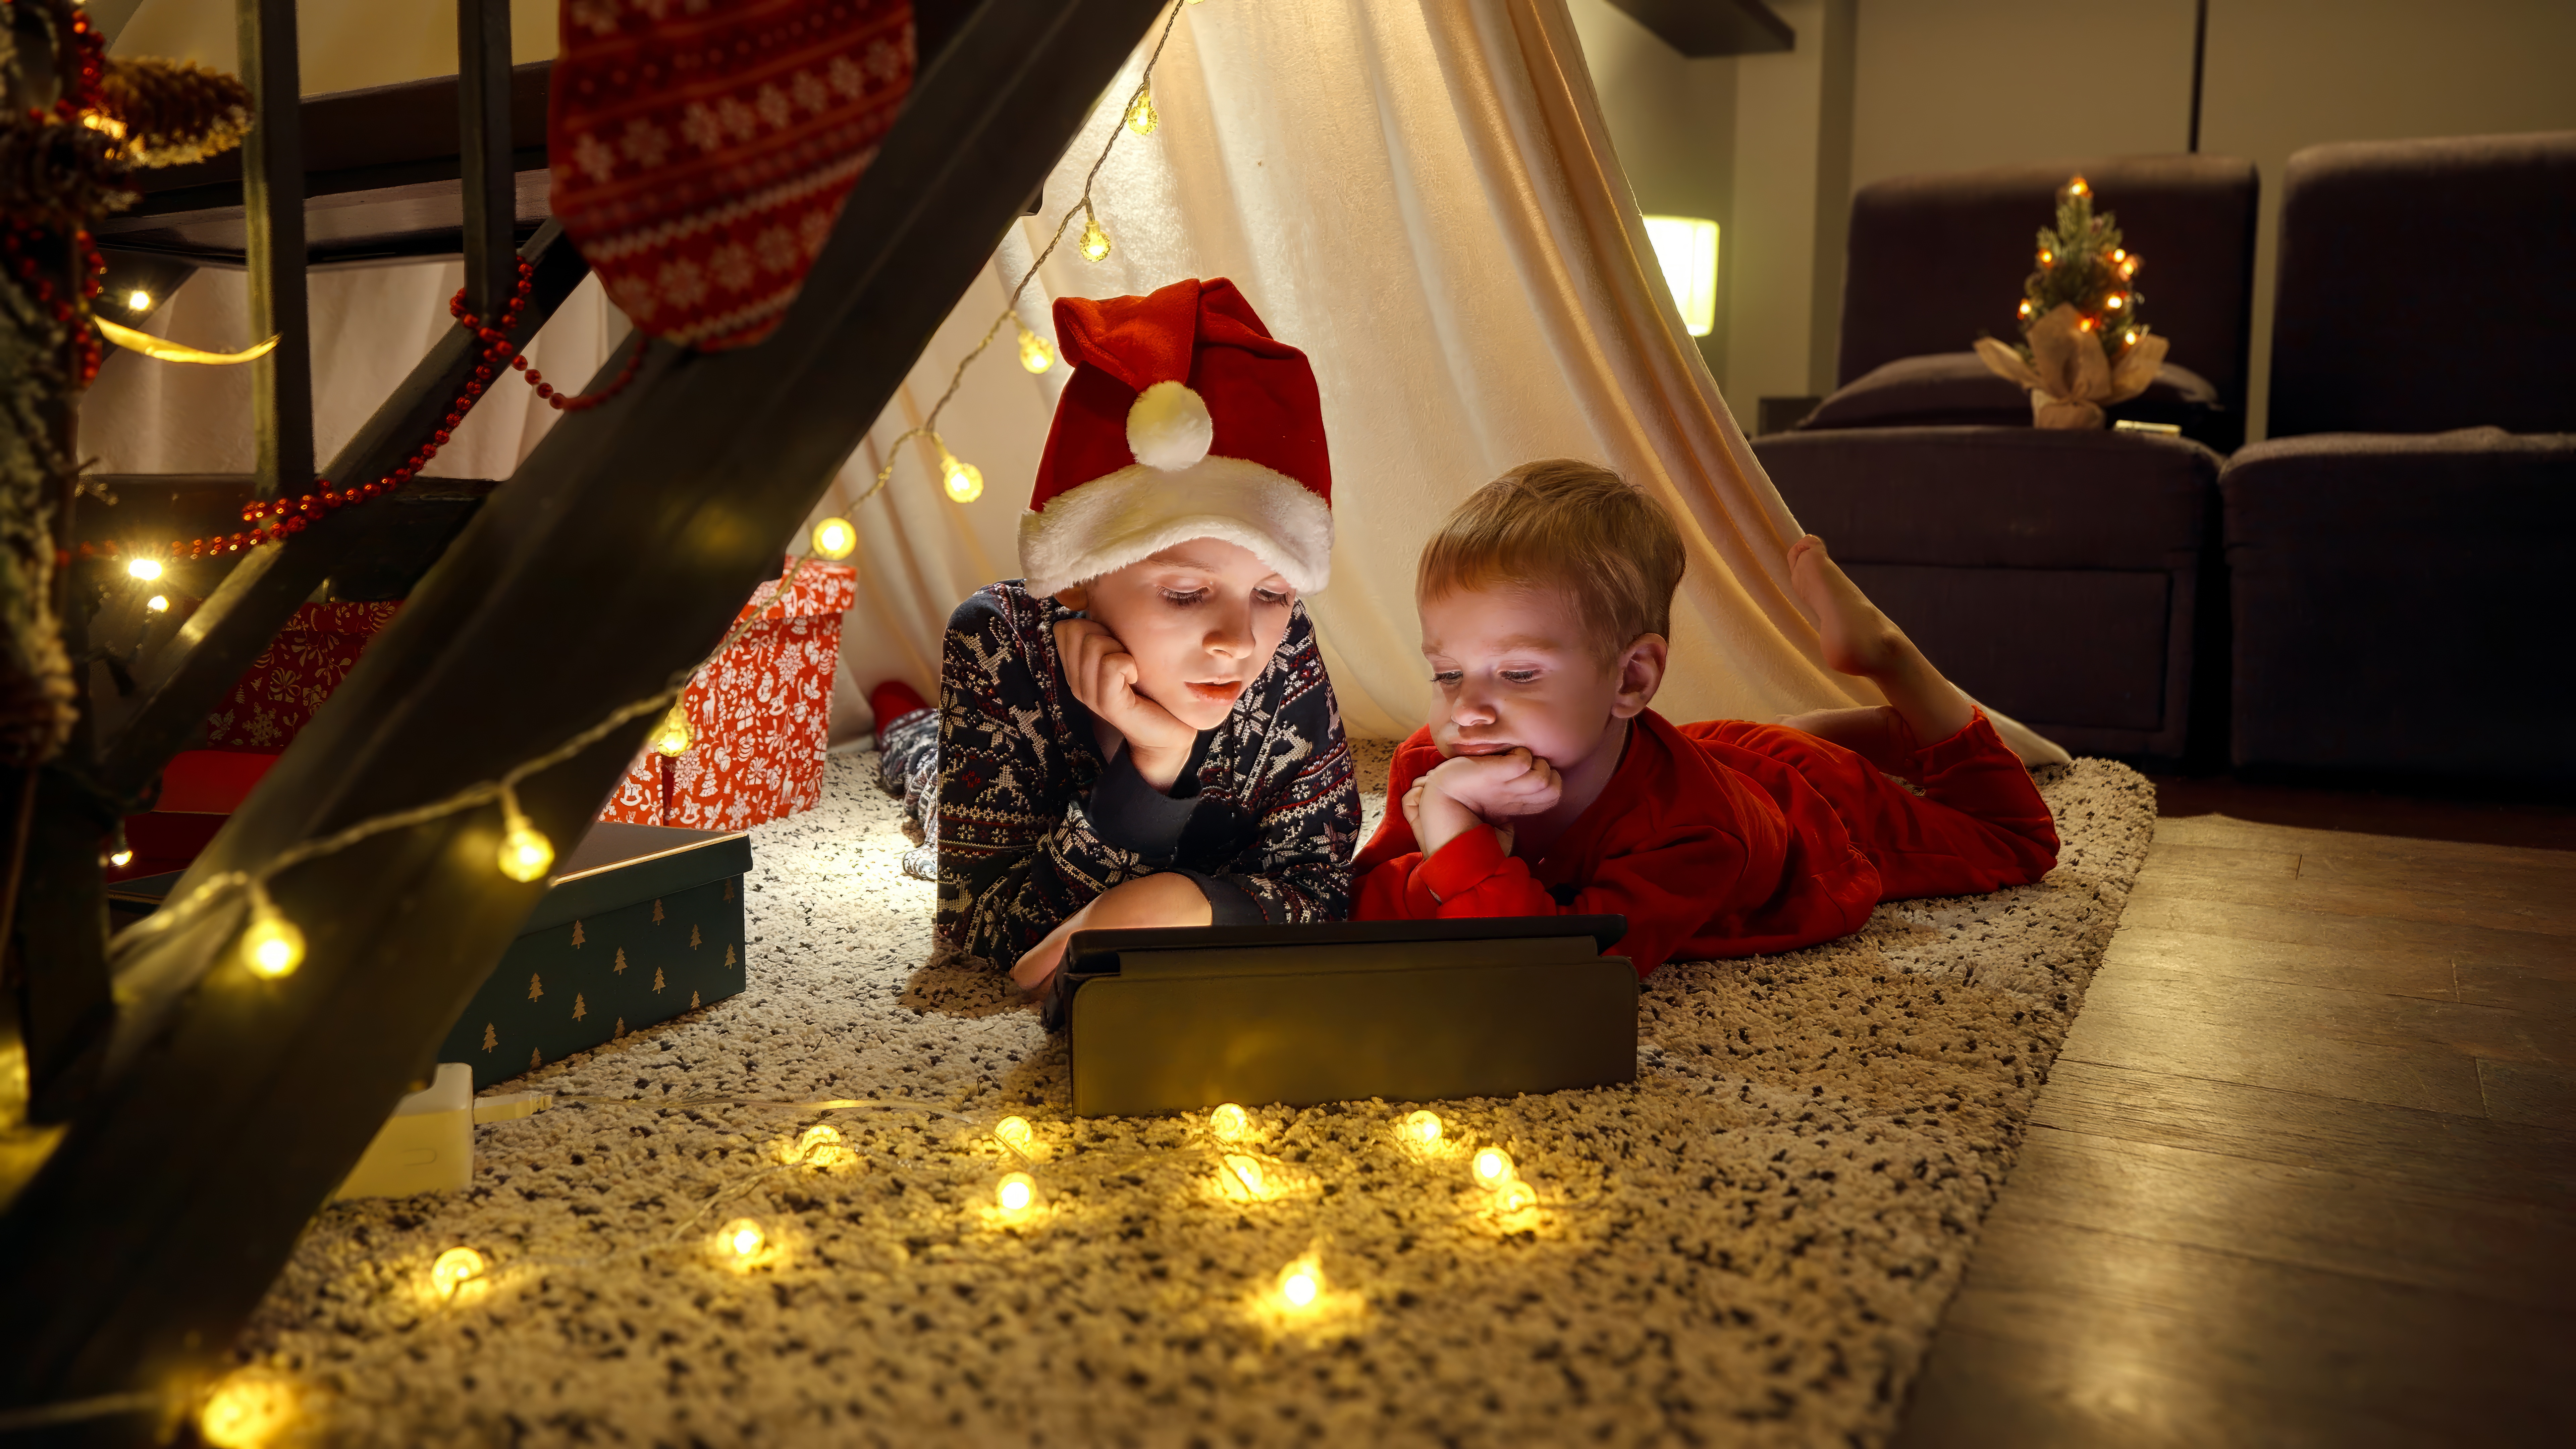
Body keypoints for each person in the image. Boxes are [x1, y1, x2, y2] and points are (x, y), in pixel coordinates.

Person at [1352, 459, 2058, 975]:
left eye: (1518, 674)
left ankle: (1889, 658)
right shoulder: (1435, 761)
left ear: (1632, 678)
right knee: (1733, 750)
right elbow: (1362, 915)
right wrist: (1452, 845)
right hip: (1698, 751)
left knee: (2010, 841)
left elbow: (1549, 973)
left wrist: (1450, 827)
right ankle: (1835, 728)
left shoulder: (1695, 833)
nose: (1467, 710)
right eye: (1447, 673)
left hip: (1805, 803)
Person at [873, 278, 1359, 994]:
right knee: (929, 776)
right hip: (983, 757)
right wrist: (1153, 768)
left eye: (1272, 591)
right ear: (1081, 575)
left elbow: (1328, 893)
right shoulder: (994, 640)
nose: (1238, 641)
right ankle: (907, 729)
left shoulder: (1283, 648)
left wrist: (1172, 903)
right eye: (1188, 593)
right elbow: (985, 937)